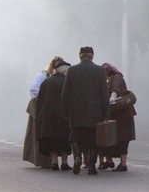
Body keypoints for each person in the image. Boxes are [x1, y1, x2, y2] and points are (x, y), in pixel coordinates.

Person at [61, 46, 110, 175]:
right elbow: (104, 94)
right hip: (95, 112)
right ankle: (92, 166)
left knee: (75, 137)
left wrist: (65, 111)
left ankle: (77, 157)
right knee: (93, 140)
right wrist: (106, 114)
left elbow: (65, 94)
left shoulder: (72, 70)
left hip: (76, 112)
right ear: (92, 56)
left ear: (80, 56)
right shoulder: (100, 71)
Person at [23, 56, 62, 168]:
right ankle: (41, 160)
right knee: (37, 132)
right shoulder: (42, 75)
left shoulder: (57, 77)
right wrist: (45, 96)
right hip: (39, 106)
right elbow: (33, 89)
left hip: (51, 106)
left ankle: (50, 160)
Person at [98, 62, 136, 172]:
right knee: (109, 138)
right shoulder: (107, 80)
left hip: (123, 115)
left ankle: (123, 164)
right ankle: (109, 161)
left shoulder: (117, 77)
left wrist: (113, 97)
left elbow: (116, 89)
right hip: (114, 115)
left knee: (123, 139)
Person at [36, 60, 72, 171]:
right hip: (64, 116)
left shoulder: (47, 82)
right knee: (65, 139)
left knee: (52, 139)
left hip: (49, 116)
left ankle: (54, 162)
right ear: (65, 71)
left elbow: (40, 100)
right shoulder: (68, 82)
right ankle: (64, 163)